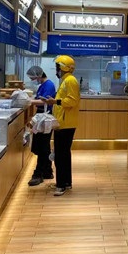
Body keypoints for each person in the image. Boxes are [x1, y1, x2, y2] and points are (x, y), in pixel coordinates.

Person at [44, 55, 81, 196]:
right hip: (63, 122)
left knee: (60, 155)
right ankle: (66, 182)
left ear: (64, 68)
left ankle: (61, 185)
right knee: (63, 154)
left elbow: (72, 101)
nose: (56, 70)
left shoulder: (70, 81)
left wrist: (55, 102)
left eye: (58, 67)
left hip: (66, 124)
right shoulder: (66, 80)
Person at [26, 66, 56, 186]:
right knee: (44, 145)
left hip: (45, 118)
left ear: (38, 75)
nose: (32, 80)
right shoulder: (42, 85)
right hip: (41, 117)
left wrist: (29, 101)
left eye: (33, 78)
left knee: (42, 146)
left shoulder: (49, 85)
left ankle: (38, 174)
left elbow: (45, 101)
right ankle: (47, 171)